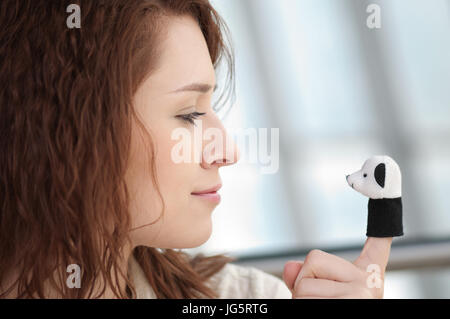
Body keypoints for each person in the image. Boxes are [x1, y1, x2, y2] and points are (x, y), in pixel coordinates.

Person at [0, 0, 392, 299]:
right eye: (189, 114)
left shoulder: (246, 298)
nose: (228, 151)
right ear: (69, 128)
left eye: (209, 109)